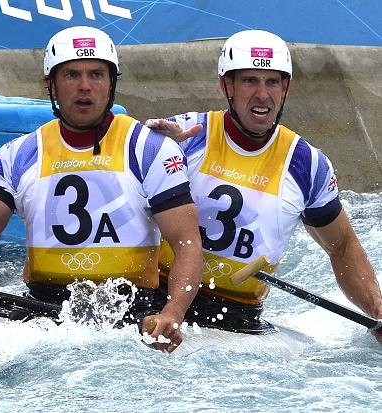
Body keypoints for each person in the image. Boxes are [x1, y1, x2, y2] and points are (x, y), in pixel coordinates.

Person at [0, 26, 203, 352]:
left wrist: (171, 314)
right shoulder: (18, 156)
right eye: (72, 75)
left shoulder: (150, 150)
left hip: (130, 311)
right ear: (51, 85)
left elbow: (187, 244)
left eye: (97, 75)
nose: (85, 86)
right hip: (42, 309)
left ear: (112, 82)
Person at [146, 29, 382, 342]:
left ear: (285, 88)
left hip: (240, 323)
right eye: (250, 81)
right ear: (226, 85)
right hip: (157, 305)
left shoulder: (307, 164)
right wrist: (149, 149)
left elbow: (342, 247)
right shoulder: (186, 135)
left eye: (272, 82)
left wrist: (377, 311)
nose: (262, 94)